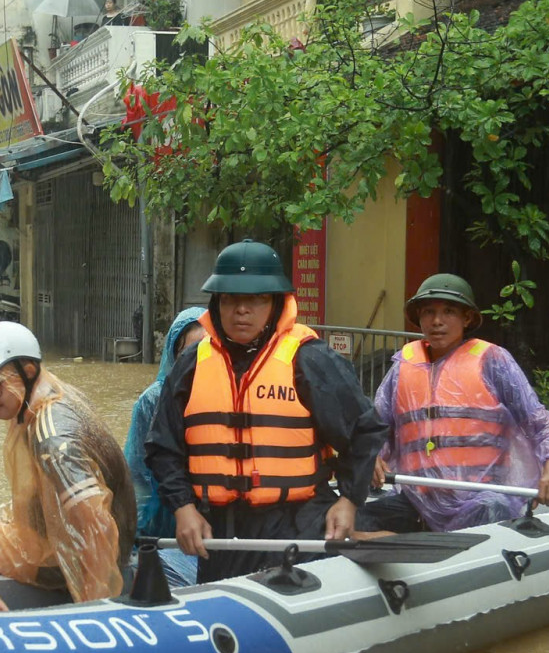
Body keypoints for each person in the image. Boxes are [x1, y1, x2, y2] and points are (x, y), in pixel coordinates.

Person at [146, 241, 387, 583]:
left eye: (256, 299)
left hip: (298, 524)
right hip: (221, 530)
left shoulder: (311, 360)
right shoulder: (191, 364)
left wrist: (348, 501)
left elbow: (365, 430)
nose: (241, 310)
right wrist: (183, 507)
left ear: (275, 303)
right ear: (217, 303)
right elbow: (161, 446)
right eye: (230, 298)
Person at [360, 273, 549, 533]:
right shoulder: (403, 366)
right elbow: (376, 427)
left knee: (491, 509)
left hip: (481, 498)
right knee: (353, 519)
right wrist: (371, 455)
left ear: (466, 318)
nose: (437, 321)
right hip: (417, 500)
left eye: (448, 311)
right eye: (428, 312)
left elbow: (544, 424)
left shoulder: (493, 361)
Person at [0, 321, 136, 607]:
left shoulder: (53, 438)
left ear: (27, 372)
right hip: (55, 540)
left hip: (75, 560)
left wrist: (93, 606)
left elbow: (94, 528)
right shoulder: (47, 397)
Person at [125, 307, 207, 587]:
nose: (199, 359)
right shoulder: (153, 400)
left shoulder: (226, 398)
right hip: (164, 519)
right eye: (191, 351)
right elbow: (138, 475)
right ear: (175, 355)